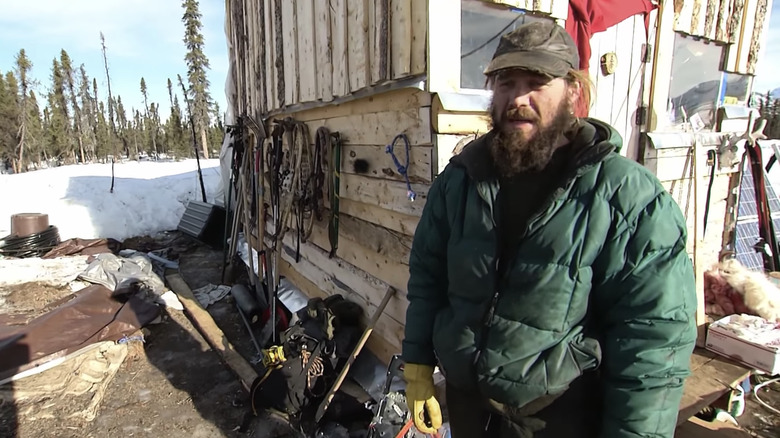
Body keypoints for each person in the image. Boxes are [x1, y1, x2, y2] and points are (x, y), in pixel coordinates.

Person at [402, 20, 697, 438]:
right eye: (505, 83)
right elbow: (428, 275)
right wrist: (417, 364)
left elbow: (653, 336)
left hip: (556, 418)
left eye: (536, 82)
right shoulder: (463, 177)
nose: (517, 98)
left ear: (572, 91)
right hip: (469, 409)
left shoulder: (625, 196)